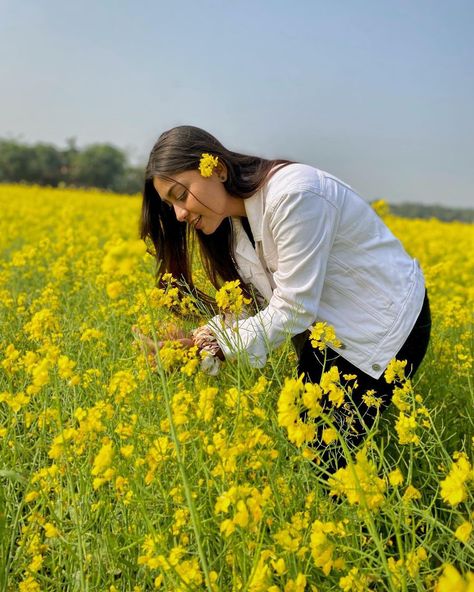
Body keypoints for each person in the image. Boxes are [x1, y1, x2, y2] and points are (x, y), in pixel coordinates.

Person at [135, 124, 431, 471]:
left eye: (180, 195)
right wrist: (199, 341)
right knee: (315, 448)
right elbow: (252, 305)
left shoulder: (294, 195)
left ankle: (390, 522)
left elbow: (293, 308)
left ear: (215, 168)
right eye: (171, 205)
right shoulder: (233, 224)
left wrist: (211, 347)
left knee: (322, 454)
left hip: (384, 326)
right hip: (333, 331)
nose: (180, 215)